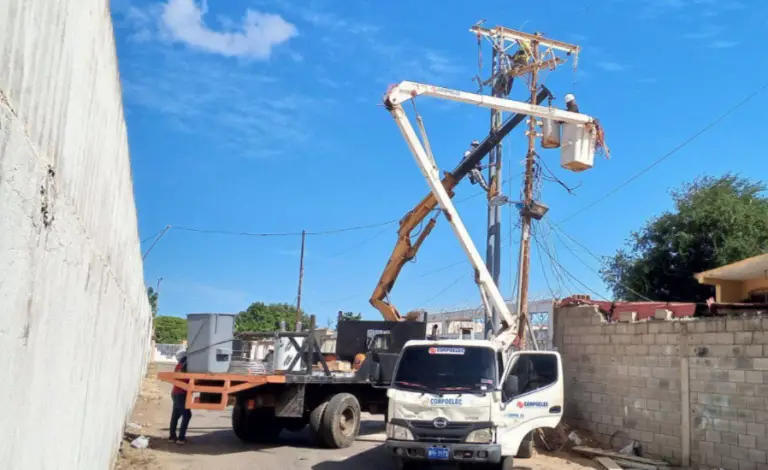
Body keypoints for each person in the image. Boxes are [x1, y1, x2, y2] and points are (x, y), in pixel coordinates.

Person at [169, 349, 192, 444]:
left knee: (176, 415)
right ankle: (181, 438)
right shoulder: (184, 364)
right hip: (180, 393)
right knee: (187, 415)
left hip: (176, 393)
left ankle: (172, 436)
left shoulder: (179, 364)